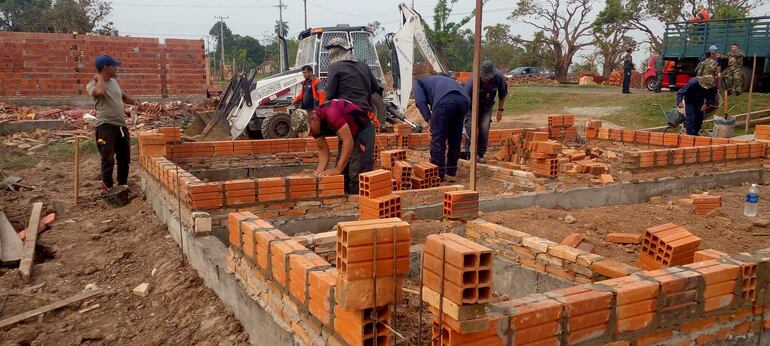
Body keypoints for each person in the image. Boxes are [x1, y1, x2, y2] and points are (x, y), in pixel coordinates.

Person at [292, 99, 375, 194]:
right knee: (341, 177)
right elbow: (323, 149)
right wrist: (318, 174)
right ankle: (346, 201)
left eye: (309, 130)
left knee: (357, 174)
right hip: (347, 133)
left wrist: (338, 169)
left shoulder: (332, 113)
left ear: (313, 119)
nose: (311, 133)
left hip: (363, 130)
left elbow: (348, 141)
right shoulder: (315, 125)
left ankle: (359, 202)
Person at [87, 55, 138, 191]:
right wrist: (99, 77)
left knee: (124, 158)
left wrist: (134, 101)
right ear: (105, 68)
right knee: (108, 159)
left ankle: (122, 185)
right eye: (114, 66)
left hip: (120, 126)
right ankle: (108, 187)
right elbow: (100, 91)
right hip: (105, 127)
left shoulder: (114, 82)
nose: (116, 68)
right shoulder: (91, 85)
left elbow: (124, 97)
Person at [413, 75, 470, 182]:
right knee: (455, 138)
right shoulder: (440, 80)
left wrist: (430, 121)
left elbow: (420, 102)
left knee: (437, 139)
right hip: (463, 100)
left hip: (444, 100)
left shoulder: (417, 83)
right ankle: (451, 172)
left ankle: (438, 174)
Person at [323, 37, 383, 117]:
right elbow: (375, 87)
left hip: (346, 113)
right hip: (364, 111)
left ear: (336, 51)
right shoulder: (363, 64)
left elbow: (329, 94)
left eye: (330, 50)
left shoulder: (334, 66)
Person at [463, 60, 507, 163]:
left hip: (487, 107)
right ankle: (468, 153)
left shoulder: (499, 78)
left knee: (484, 128)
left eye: (488, 78)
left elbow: (502, 95)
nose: (486, 80)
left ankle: (480, 154)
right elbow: (464, 101)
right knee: (470, 127)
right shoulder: (472, 82)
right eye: (484, 78)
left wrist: (500, 110)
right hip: (471, 107)